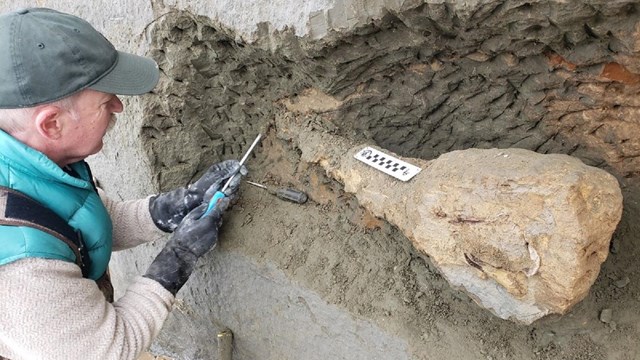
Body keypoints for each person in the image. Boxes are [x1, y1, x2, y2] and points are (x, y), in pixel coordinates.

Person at [0, 8, 246, 359]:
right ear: (52, 124)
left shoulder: (23, 160)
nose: (119, 106)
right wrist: (178, 258)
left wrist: (172, 207)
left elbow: (71, 224)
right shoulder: (23, 274)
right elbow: (112, 348)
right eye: (104, 100)